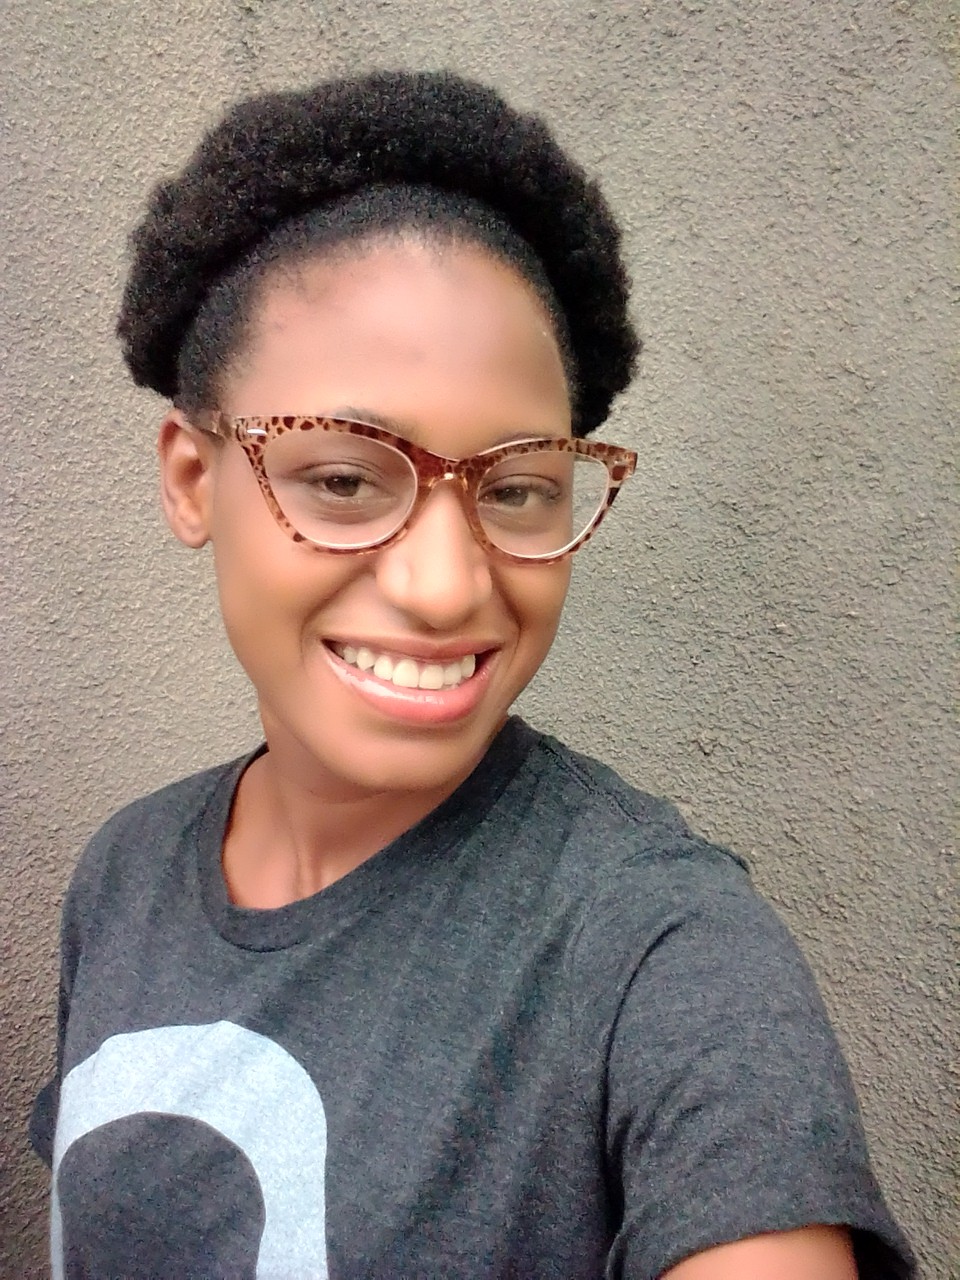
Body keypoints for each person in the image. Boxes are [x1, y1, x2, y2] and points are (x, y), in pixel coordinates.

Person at [30, 69, 914, 1279]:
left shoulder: (661, 950)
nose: (448, 585)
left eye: (518, 487)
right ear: (193, 478)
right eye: (345, 477)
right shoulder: (123, 877)